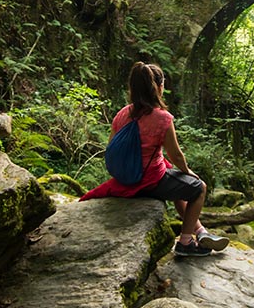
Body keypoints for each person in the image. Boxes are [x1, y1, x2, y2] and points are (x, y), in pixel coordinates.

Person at [80, 61, 228, 257]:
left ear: (133, 88)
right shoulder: (162, 118)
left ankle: (200, 231)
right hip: (150, 181)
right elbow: (175, 155)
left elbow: (111, 148)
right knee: (199, 188)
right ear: (158, 87)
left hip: (126, 179)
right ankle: (185, 242)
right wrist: (189, 172)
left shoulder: (122, 114)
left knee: (177, 182)